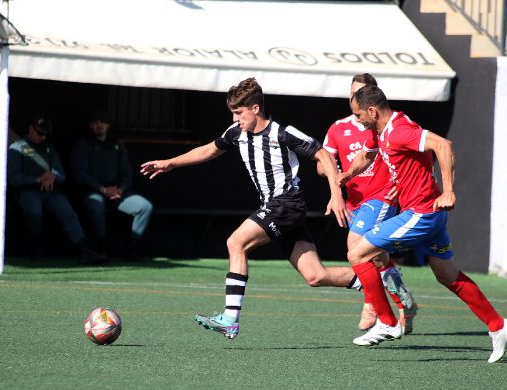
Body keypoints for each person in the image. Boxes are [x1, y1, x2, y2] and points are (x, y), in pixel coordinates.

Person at [140, 77, 409, 339]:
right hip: (278, 209)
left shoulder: (282, 132)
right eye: (233, 113)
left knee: (236, 242)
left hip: (286, 205)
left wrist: (335, 194)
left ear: (256, 108)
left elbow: (324, 155)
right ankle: (381, 283)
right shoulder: (236, 133)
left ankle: (230, 319)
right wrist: (171, 163)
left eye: (239, 112)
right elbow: (209, 150)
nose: (235, 119)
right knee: (316, 276)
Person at [337, 84, 506, 363]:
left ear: (372, 110)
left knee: (357, 252)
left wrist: (448, 190)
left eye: (358, 115)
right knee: (447, 275)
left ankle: (388, 321)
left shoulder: (399, 131)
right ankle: (498, 326)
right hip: (430, 215)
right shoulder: (383, 129)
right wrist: (348, 174)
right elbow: (369, 154)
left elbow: (443, 145)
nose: (357, 120)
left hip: (422, 214)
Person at [318, 73, 418, 335]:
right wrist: (334, 174)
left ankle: (374, 306)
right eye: (354, 93)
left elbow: (416, 152)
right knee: (376, 255)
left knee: (356, 247)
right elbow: (322, 162)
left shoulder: (384, 126)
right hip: (355, 200)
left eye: (363, 92)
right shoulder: (338, 127)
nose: (357, 97)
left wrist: (406, 181)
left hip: (381, 196)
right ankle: (403, 300)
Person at [7, 114, 101, 263]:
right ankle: (35, 247)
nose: (42, 137)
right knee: (34, 211)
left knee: (68, 213)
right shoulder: (17, 147)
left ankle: (84, 249)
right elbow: (14, 178)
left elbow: (61, 174)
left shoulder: (50, 149)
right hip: (28, 191)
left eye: (45, 134)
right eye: (40, 133)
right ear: (31, 129)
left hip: (50, 192)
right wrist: (37, 179)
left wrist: (52, 176)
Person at [70, 110, 153, 260]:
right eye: (95, 123)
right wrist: (102, 189)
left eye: (102, 122)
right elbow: (80, 175)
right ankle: (101, 248)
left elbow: (127, 172)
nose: (99, 125)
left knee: (144, 206)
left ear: (108, 125)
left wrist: (121, 189)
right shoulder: (83, 145)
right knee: (96, 205)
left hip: (117, 192)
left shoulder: (116, 145)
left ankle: (133, 249)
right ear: (91, 126)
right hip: (94, 192)